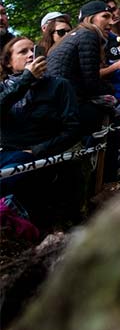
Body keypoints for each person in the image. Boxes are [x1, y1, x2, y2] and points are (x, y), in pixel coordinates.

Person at [1, 36, 83, 221]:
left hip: (39, 156)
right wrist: (26, 80)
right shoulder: (3, 89)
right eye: (23, 52)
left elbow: (73, 130)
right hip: (6, 154)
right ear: (8, 62)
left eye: (34, 50)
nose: (31, 55)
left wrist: (38, 149)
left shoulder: (59, 85)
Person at [45, 0, 117, 139]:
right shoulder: (88, 35)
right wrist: (110, 92)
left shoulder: (77, 35)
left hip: (60, 101)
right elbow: (91, 82)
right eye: (105, 16)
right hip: (65, 106)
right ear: (90, 18)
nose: (111, 22)